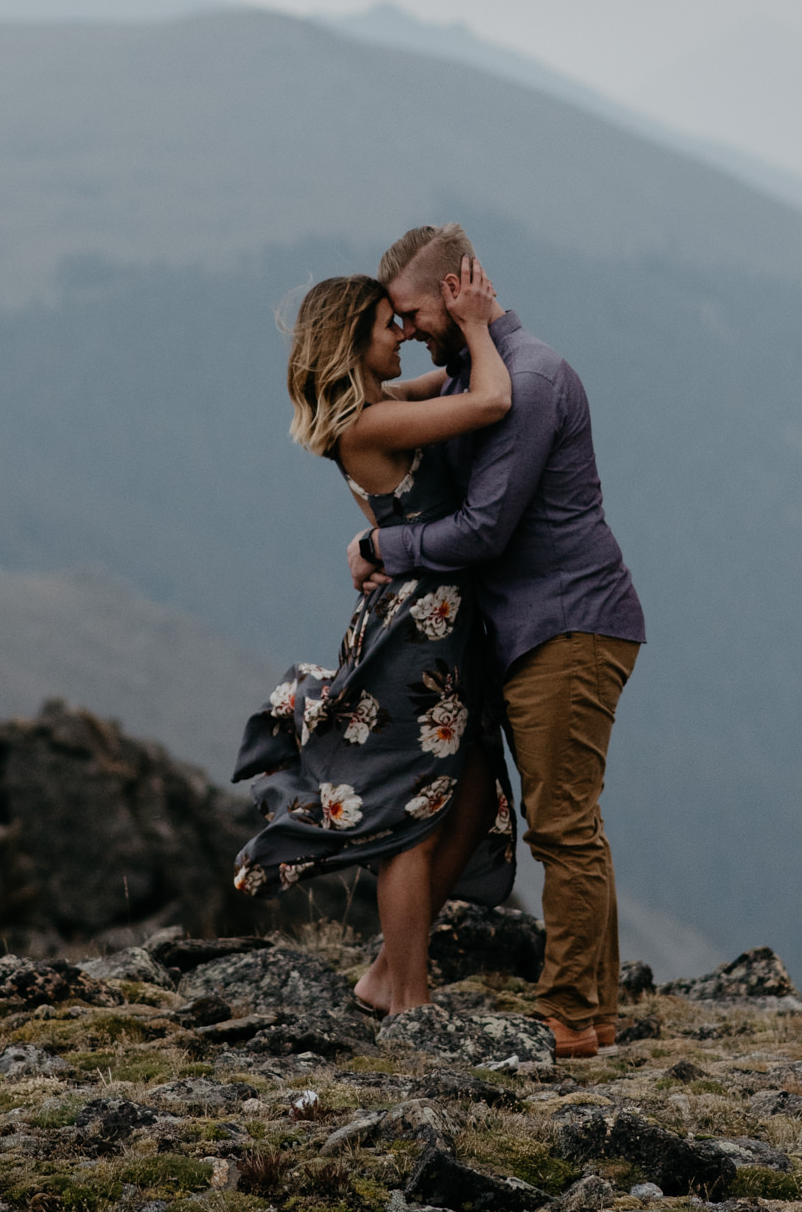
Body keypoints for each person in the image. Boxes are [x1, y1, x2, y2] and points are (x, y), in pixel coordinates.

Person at [349, 224, 644, 1059]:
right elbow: (382, 412)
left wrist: (379, 549)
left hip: (568, 624)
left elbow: (481, 530)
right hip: (533, 627)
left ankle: (566, 1021)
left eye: (408, 314)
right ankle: (594, 1015)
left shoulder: (533, 377)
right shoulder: (481, 370)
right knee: (570, 823)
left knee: (562, 827)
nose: (404, 333)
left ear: (453, 293)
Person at [230, 255, 518, 1015]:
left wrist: (458, 334)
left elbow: (450, 387)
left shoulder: (376, 405)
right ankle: (409, 1002)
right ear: (354, 338)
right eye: (387, 326)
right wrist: (484, 328)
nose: (399, 336)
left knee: (470, 797)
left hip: (436, 628)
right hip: (419, 636)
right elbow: (489, 400)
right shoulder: (371, 421)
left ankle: (389, 975)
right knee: (415, 819)